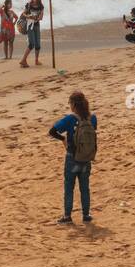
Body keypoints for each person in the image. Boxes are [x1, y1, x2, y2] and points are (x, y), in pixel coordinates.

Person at [48, 90, 97, 224]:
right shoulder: (92, 118)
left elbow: (52, 131)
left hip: (72, 157)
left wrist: (63, 139)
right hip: (86, 158)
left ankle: (67, 216)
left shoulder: (70, 119)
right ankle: (86, 215)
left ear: (73, 104)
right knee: (84, 187)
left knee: (69, 187)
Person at [18, 0, 43, 68]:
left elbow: (41, 17)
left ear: (39, 0)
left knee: (38, 44)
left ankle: (36, 60)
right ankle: (23, 60)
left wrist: (37, 18)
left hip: (36, 25)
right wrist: (29, 16)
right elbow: (23, 14)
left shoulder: (41, 6)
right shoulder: (29, 5)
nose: (34, 0)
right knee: (31, 44)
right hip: (29, 25)